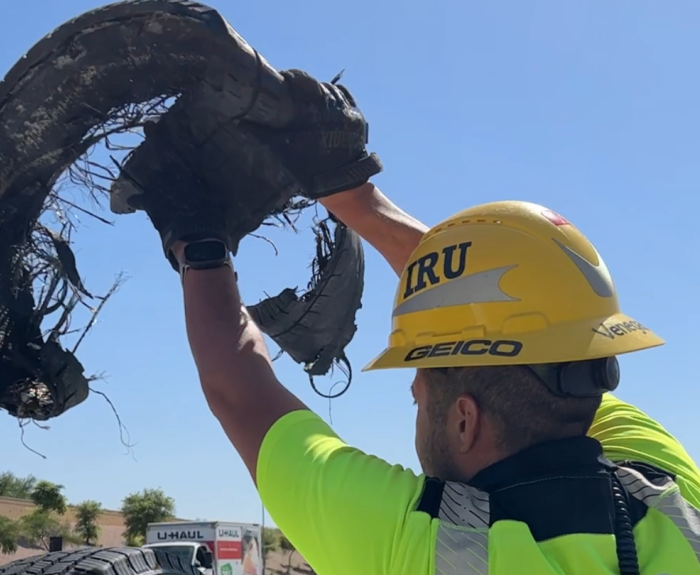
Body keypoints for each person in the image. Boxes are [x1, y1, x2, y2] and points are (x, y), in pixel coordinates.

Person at [149, 77, 700, 574]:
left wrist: (198, 230)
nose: (413, 390)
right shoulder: (672, 500)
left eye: (420, 388)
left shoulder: (422, 546)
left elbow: (239, 391)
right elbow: (544, 329)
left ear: (465, 420)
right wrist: (355, 201)